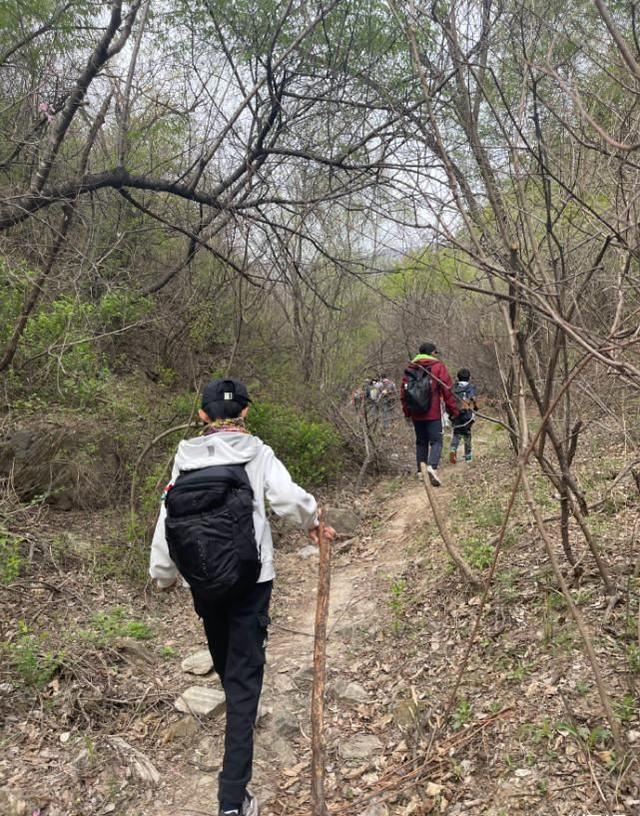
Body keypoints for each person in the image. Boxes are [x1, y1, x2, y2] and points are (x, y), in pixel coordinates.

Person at [149, 378, 335, 816]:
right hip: (252, 581)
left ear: (203, 416)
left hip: (203, 582)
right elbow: (288, 498)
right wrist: (310, 519)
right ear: (245, 413)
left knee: (228, 665)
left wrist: (163, 574)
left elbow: (166, 516)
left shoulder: (185, 459)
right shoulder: (257, 452)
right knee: (243, 682)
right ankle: (233, 800)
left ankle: (238, 727)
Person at [401, 342, 459, 486]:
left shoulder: (410, 368)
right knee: (436, 441)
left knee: (421, 441)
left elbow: (403, 394)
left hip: (416, 413)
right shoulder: (438, 367)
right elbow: (447, 391)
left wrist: (407, 412)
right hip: (432, 412)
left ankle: (421, 472)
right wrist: (454, 411)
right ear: (432, 353)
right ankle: (432, 467)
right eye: (436, 352)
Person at [450, 368, 478, 464]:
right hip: (467, 415)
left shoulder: (453, 388)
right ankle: (468, 456)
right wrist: (476, 408)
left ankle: (453, 450)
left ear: (458, 378)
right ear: (469, 378)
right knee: (467, 434)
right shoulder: (471, 387)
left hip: (455, 415)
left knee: (456, 434)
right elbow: (473, 399)